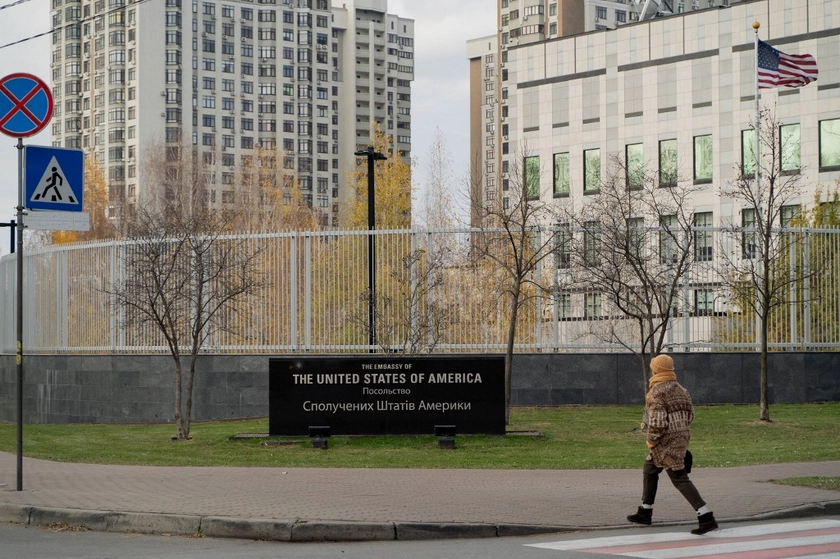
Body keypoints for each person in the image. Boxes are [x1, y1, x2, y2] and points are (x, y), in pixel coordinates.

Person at [627, 354, 718, 535]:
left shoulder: (656, 392)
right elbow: (691, 416)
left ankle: (706, 517)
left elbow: (658, 423)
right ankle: (645, 510)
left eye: (653, 367)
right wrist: (679, 427)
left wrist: (651, 440)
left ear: (656, 369)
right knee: (650, 469)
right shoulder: (681, 389)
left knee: (679, 478)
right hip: (681, 438)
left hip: (665, 442)